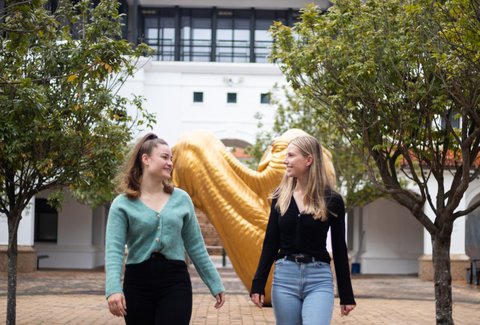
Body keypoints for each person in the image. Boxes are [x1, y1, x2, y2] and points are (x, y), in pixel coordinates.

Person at [105, 133, 226, 324]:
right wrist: (113, 289)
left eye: (171, 158)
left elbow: (196, 247)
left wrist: (215, 282)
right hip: (137, 283)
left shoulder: (182, 199)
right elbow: (114, 250)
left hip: (174, 282)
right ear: (145, 159)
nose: (170, 162)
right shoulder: (122, 204)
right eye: (164, 157)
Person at [250, 135, 356, 325]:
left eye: (291, 155)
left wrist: (346, 295)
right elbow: (270, 243)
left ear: (308, 160)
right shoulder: (280, 197)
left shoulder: (332, 200)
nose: (285, 161)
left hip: (319, 279)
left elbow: (340, 248)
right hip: (284, 279)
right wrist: (258, 284)